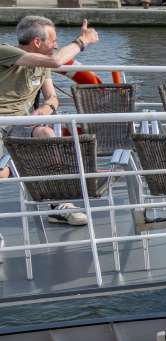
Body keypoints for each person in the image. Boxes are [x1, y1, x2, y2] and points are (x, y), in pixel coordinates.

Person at [0, 16, 99, 224]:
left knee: (46, 133)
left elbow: (52, 97)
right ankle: (10, 170)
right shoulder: (5, 52)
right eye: (53, 40)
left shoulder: (42, 66)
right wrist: (83, 41)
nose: (56, 45)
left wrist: (46, 107)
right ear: (37, 42)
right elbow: (57, 61)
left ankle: (59, 205)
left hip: (21, 124)